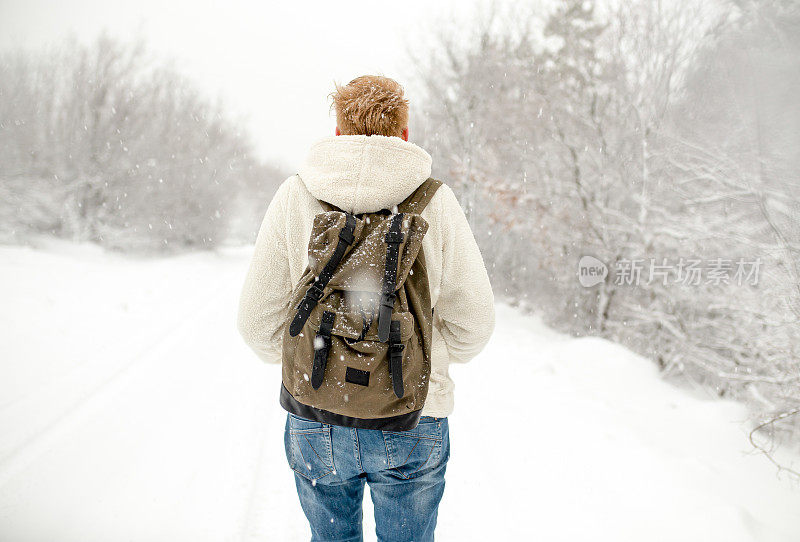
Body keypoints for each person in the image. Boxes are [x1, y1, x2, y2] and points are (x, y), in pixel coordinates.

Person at [236, 75, 495, 542]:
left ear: (337, 133)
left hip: (316, 413)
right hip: (413, 414)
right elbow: (473, 322)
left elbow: (256, 325)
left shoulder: (296, 195)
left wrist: (318, 353)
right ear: (404, 135)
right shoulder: (435, 201)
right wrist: (424, 360)